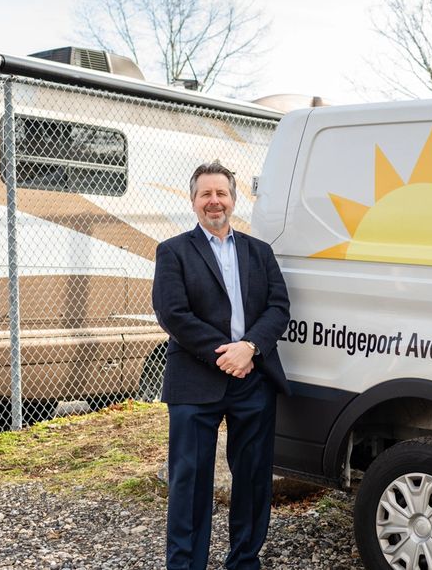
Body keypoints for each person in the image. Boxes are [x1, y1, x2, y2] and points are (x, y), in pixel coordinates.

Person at [152, 161, 290, 570]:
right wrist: (228, 354)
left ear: (233, 199)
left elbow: (278, 307)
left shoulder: (258, 252)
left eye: (221, 193)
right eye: (206, 194)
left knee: (251, 479)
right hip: (195, 381)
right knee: (190, 481)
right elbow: (172, 314)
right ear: (193, 201)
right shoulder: (173, 251)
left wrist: (249, 348)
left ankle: (244, 560)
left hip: (253, 379)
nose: (215, 201)